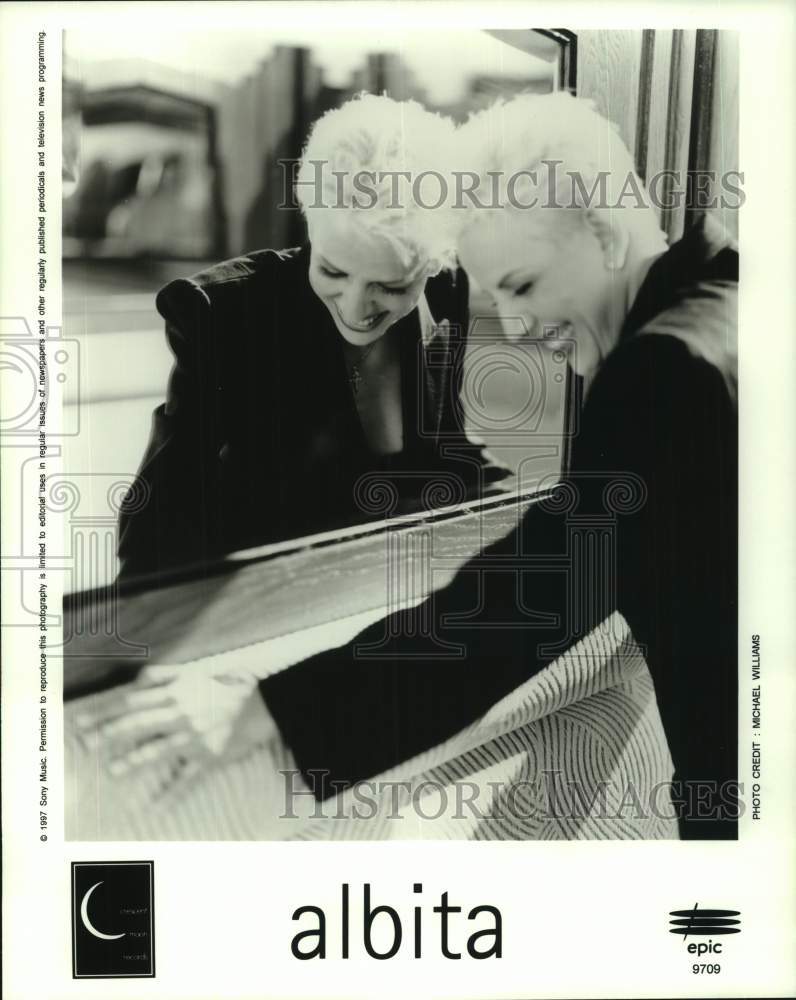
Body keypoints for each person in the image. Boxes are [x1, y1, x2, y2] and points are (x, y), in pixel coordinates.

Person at [99, 93, 737, 840]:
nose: (522, 327)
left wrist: (265, 711)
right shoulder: (735, 295)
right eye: (502, 292)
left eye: (524, 285)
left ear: (602, 230)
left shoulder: (662, 371)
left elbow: (538, 593)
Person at [117, 94, 509, 579]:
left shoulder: (447, 290)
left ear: (434, 264)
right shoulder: (223, 314)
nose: (354, 308)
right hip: (264, 610)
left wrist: (518, 514)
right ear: (310, 223)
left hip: (389, 593)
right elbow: (154, 535)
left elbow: (447, 456)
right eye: (332, 270)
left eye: (390, 285)